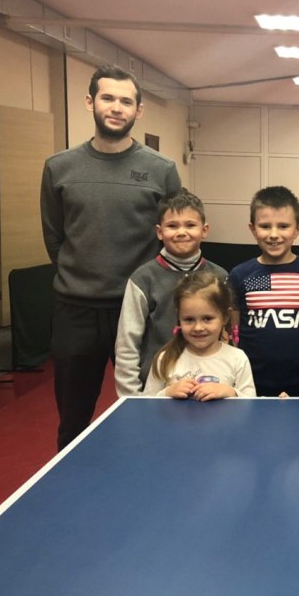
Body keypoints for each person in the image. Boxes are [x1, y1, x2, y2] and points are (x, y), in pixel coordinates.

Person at [40, 64, 181, 449]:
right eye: (108, 98)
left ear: (139, 110)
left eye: (126, 101)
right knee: (73, 419)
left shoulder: (161, 170)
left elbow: (174, 235)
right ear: (90, 102)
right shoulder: (58, 167)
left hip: (141, 309)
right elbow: (54, 238)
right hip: (76, 311)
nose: (116, 107)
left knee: (154, 409)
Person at [114, 189, 227, 396]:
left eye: (190, 225)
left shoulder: (220, 277)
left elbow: (229, 337)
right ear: (159, 232)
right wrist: (132, 398)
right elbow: (127, 343)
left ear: (204, 230)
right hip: (159, 388)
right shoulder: (143, 278)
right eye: (172, 226)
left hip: (212, 386)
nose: (181, 232)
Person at [229, 186, 299, 397]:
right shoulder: (239, 275)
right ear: (253, 229)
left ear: (298, 229)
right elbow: (234, 335)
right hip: (251, 382)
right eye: (265, 226)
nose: (274, 235)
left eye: (283, 226)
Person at [144, 272, 255, 399]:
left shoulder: (237, 358)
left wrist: (230, 392)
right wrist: (167, 393)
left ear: (225, 317)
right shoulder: (164, 359)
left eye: (207, 318)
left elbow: (250, 402)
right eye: (189, 319)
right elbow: (147, 402)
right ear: (178, 316)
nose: (198, 328)